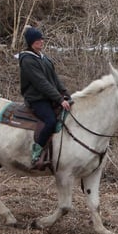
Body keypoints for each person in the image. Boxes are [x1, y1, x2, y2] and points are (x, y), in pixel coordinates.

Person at [18, 26, 73, 165]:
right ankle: (37, 150)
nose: (41, 41)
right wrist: (59, 99)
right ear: (31, 42)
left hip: (49, 97)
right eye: (37, 40)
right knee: (50, 121)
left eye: (42, 39)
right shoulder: (27, 60)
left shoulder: (45, 58)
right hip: (37, 99)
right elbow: (41, 83)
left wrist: (66, 94)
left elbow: (55, 79)